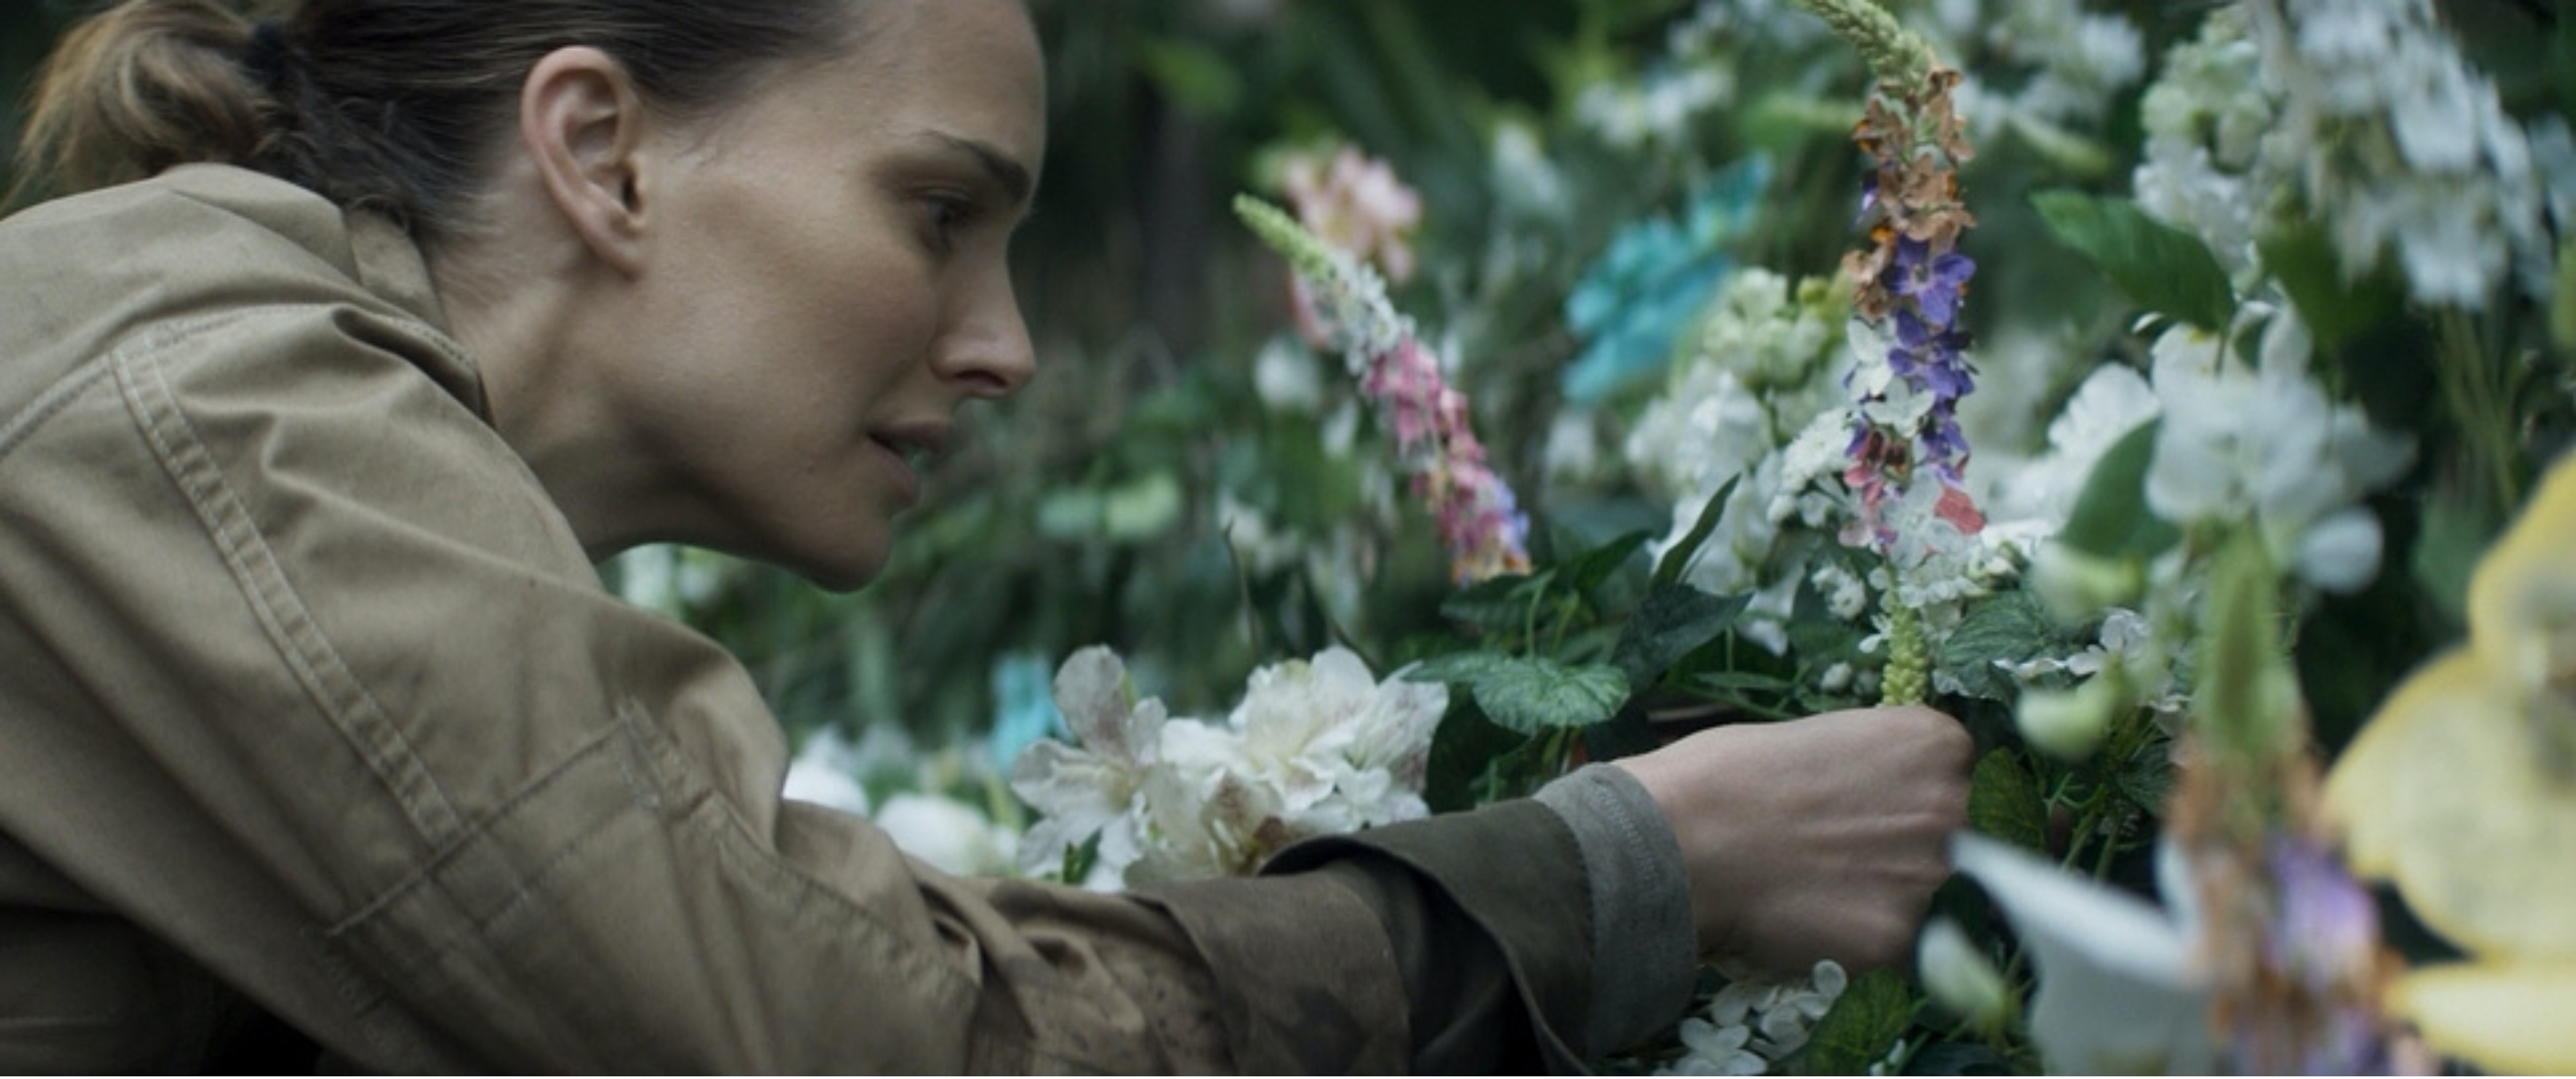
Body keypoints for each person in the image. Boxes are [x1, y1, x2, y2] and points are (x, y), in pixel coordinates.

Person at [0, 0, 1972, 1072]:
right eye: (940, 214)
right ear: (602, 153)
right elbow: (862, 1035)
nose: (1008, 346)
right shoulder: (220, 417)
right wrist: (1629, 869)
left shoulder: (242, 388)